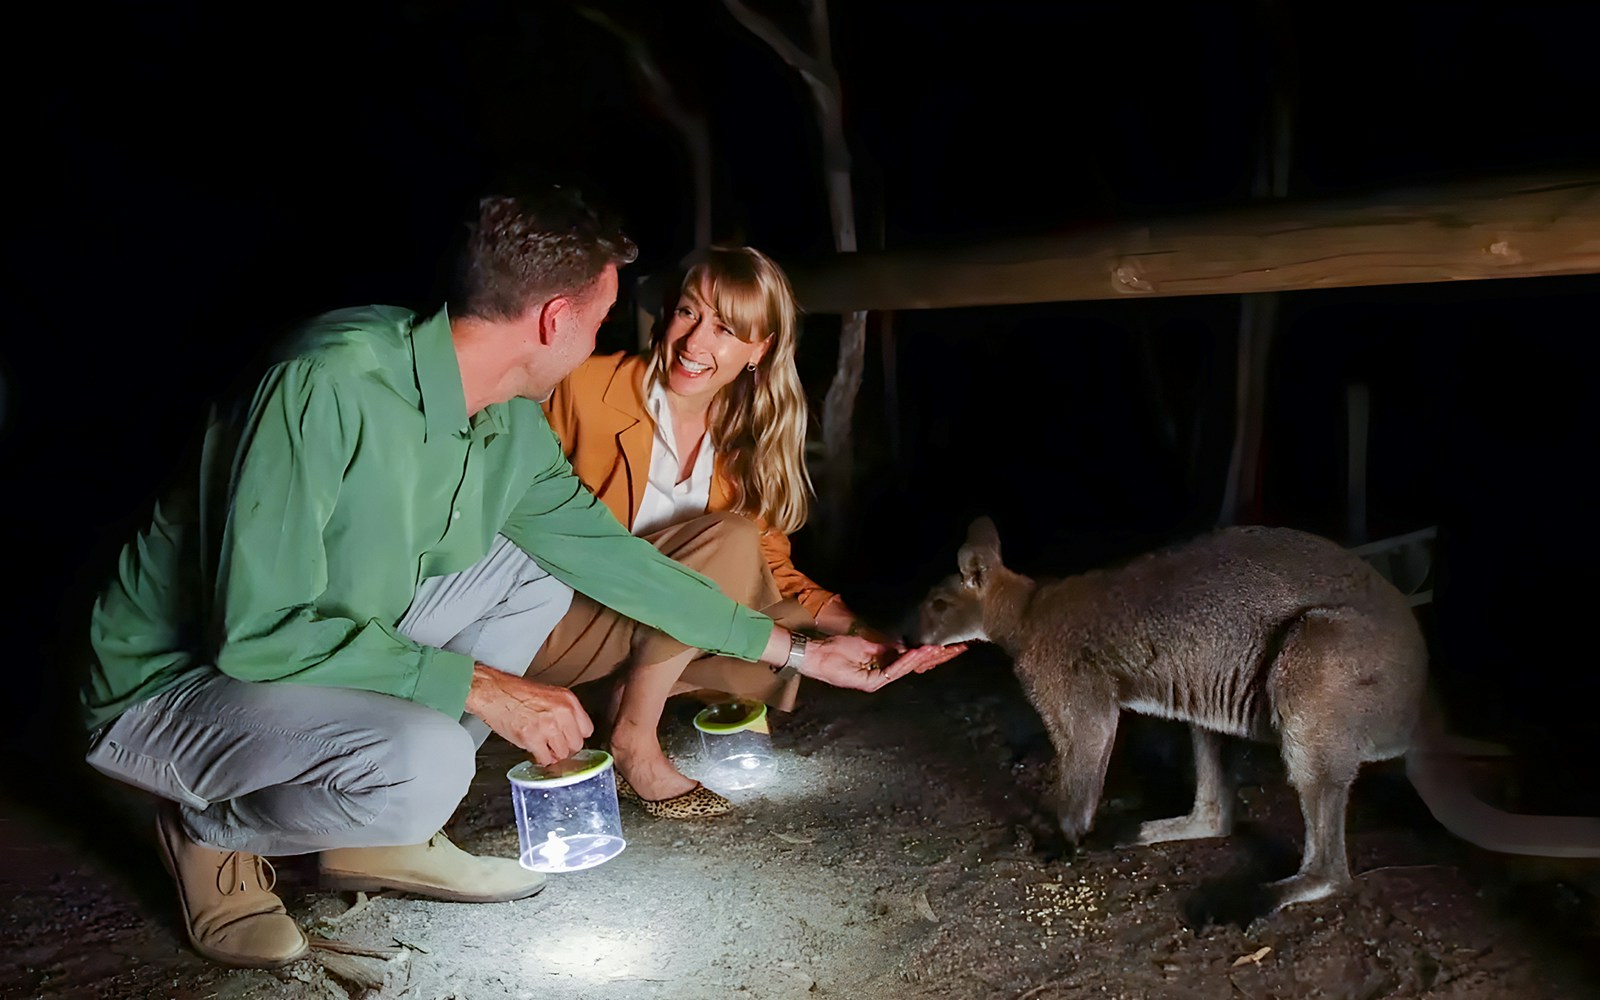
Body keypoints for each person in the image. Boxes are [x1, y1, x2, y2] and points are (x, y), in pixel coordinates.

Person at [80, 189, 916, 970]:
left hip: (306, 653)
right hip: (174, 688)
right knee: (432, 757)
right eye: (598, 320)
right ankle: (212, 831)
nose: (607, 340)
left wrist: (802, 652)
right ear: (556, 319)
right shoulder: (328, 383)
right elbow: (258, 633)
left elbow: (617, 561)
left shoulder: (508, 423)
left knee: (532, 572)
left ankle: (379, 828)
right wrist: (482, 687)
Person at [535, 246, 965, 818]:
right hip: (555, 624)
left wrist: (867, 632)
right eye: (689, 314)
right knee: (732, 544)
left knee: (767, 598)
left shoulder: (744, 440)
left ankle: (631, 691)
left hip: (633, 633)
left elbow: (773, 569)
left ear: (760, 349)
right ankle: (633, 741)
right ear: (668, 313)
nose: (695, 344)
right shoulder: (584, 388)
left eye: (727, 329)